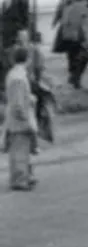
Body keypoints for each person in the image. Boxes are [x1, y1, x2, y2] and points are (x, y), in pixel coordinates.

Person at [4, 47, 40, 191]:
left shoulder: (14, 74)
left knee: (22, 149)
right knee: (20, 150)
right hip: (19, 120)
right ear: (27, 59)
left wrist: (30, 98)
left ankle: (25, 176)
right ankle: (19, 180)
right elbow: (18, 103)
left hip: (16, 118)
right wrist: (25, 119)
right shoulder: (19, 78)